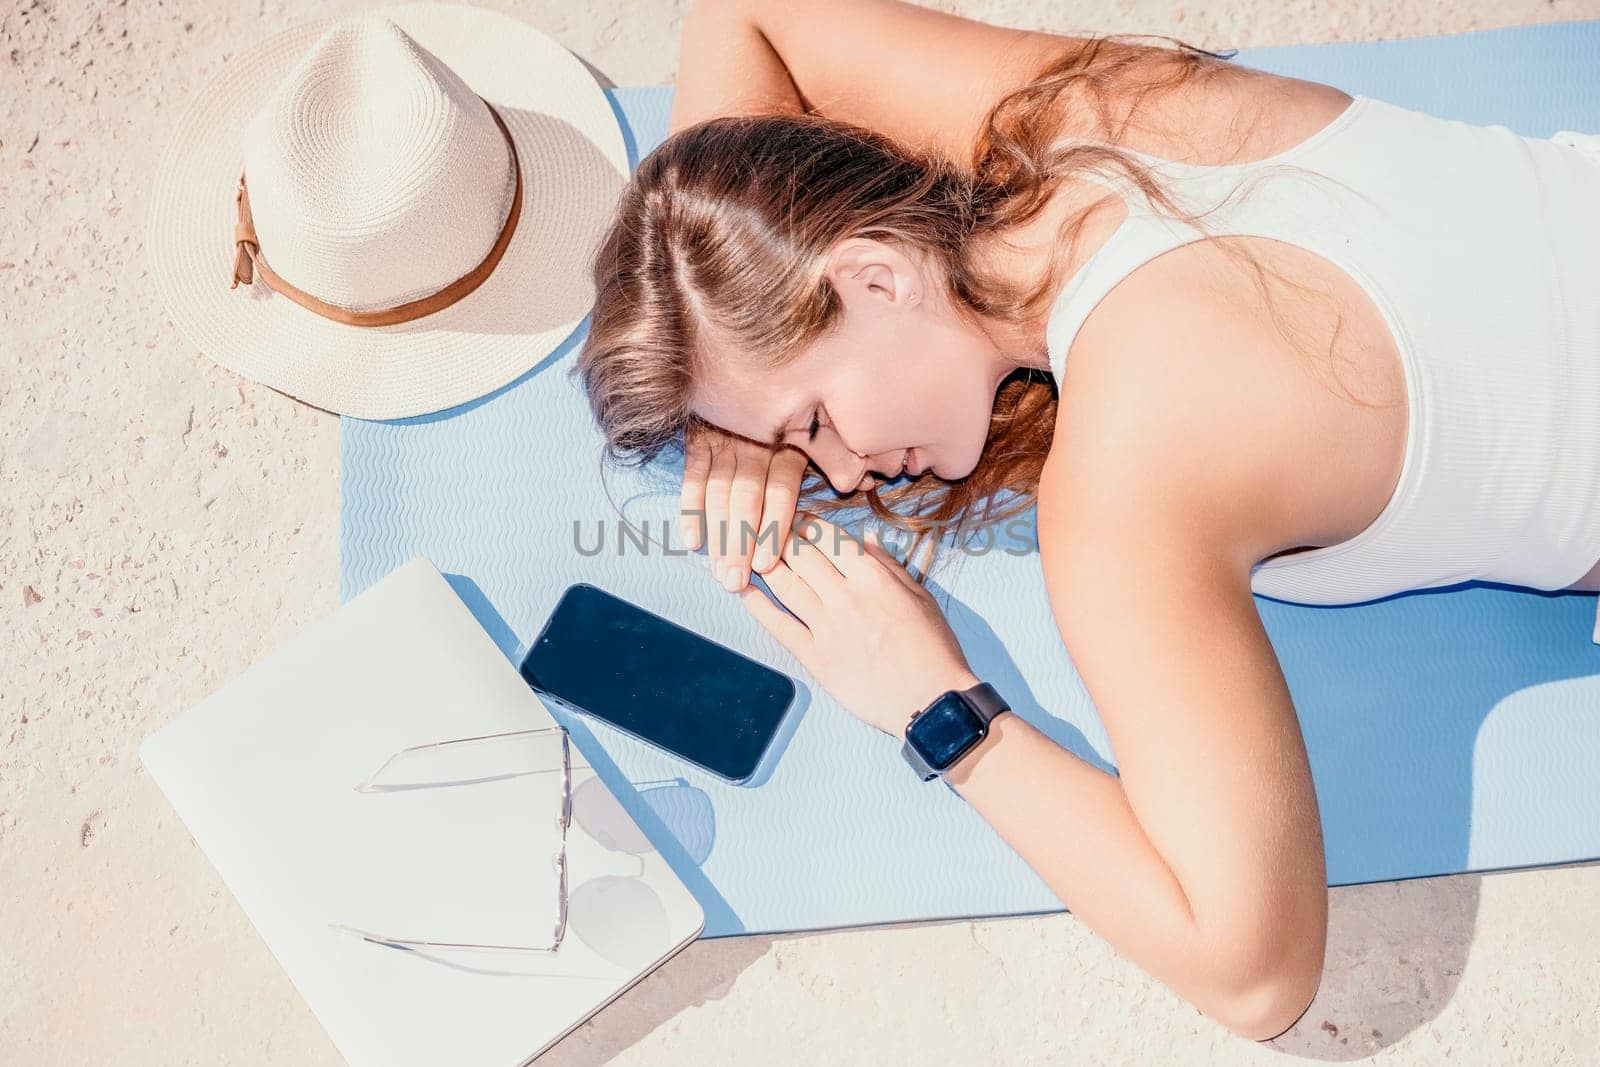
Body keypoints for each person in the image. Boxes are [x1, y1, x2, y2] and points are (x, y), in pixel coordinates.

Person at [573, 0, 1600, 1042]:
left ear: (875, 275)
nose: (841, 472)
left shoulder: (1128, 484)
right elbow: (744, 14)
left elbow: (1256, 974)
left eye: (816, 422)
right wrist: (733, 367)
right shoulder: (1080, 111)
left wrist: (937, 704)